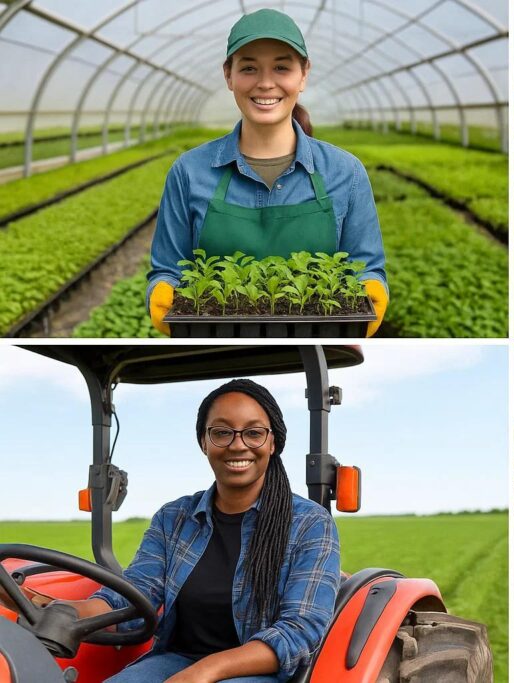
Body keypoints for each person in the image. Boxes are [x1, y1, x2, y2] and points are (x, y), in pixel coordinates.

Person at [1, 379, 341, 682]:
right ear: (204, 443)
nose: (237, 445)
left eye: (253, 433)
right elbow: (132, 598)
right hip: (175, 661)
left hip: (257, 671)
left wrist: (206, 672)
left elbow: (298, 632)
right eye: (221, 432)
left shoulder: (309, 524)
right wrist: (46, 607)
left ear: (272, 443)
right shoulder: (175, 517)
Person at [146, 9, 388, 337]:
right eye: (248, 68)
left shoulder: (346, 173)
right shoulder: (189, 172)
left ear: (303, 75)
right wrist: (161, 292)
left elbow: (365, 267)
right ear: (228, 75)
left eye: (281, 67)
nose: (265, 83)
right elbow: (168, 270)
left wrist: (372, 289)